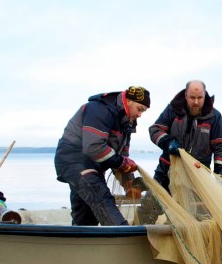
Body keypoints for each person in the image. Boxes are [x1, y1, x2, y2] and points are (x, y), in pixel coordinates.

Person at [54, 86, 150, 226]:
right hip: (73, 160)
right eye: (140, 109)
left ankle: (79, 243)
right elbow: (94, 147)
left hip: (93, 166)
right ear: (128, 100)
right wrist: (122, 163)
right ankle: (122, 235)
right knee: (100, 196)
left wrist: (129, 185)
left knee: (86, 215)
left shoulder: (127, 123)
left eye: (144, 111)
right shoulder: (100, 110)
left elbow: (122, 156)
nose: (140, 114)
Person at [149, 80, 222, 191]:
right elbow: (155, 129)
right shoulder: (172, 110)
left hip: (198, 175)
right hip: (166, 171)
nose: (196, 102)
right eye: (192, 98)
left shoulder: (214, 117)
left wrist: (220, 172)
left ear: (205, 95)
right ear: (186, 95)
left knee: (194, 209)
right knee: (151, 205)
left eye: (200, 98)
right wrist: (167, 142)